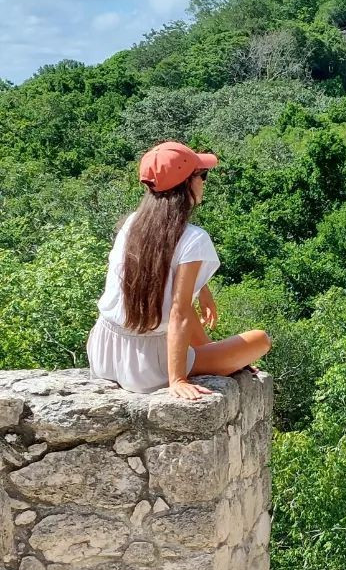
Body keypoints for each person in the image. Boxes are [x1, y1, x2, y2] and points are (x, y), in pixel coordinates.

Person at [87, 141, 271, 400]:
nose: (204, 182)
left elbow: (162, 275)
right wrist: (178, 379)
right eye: (202, 176)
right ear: (187, 183)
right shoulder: (194, 238)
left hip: (104, 350)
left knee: (186, 309)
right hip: (149, 364)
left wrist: (203, 289)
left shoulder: (133, 224)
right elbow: (179, 313)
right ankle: (213, 357)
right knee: (260, 340)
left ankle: (212, 353)